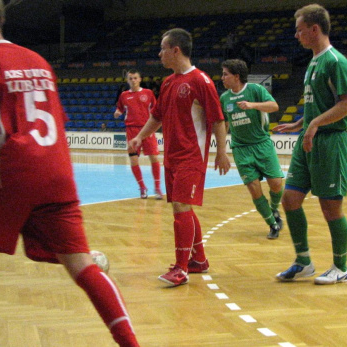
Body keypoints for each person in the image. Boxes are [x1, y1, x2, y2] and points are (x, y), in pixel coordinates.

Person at [0, 1, 140, 346]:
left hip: (12, 171)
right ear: (2, 19)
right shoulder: (38, 61)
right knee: (82, 265)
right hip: (58, 170)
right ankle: (131, 342)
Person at [128, 28, 230, 287]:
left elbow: (217, 119)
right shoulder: (168, 82)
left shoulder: (200, 81)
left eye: (162, 49)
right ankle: (199, 261)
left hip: (191, 157)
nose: (159, 54)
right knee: (184, 207)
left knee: (181, 208)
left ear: (176, 50)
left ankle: (181, 268)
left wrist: (221, 152)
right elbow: (157, 116)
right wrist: (140, 137)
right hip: (172, 157)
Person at [272, 4, 347, 285]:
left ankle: (341, 267)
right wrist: (301, 123)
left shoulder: (336, 61)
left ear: (314, 29)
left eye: (299, 30)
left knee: (330, 208)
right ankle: (304, 260)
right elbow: (317, 104)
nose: (296, 35)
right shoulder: (313, 62)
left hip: (330, 142)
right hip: (306, 140)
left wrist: (315, 123)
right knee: (290, 199)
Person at [220, 59, 284, 239]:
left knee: (277, 184)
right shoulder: (224, 98)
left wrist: (252, 105)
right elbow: (224, 123)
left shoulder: (255, 90)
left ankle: (274, 209)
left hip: (262, 144)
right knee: (254, 188)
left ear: (237, 76)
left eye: (225, 74)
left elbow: (274, 106)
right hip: (241, 149)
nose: (222, 77)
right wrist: (222, 150)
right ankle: (272, 224)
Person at [114, 69, 163, 199]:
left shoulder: (148, 93)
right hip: (131, 130)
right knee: (134, 160)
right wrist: (118, 112)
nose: (133, 80)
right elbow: (119, 107)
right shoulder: (124, 95)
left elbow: (156, 108)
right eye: (130, 78)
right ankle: (142, 187)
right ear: (127, 80)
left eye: (135, 78)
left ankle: (157, 187)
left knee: (154, 157)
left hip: (146, 129)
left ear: (140, 79)